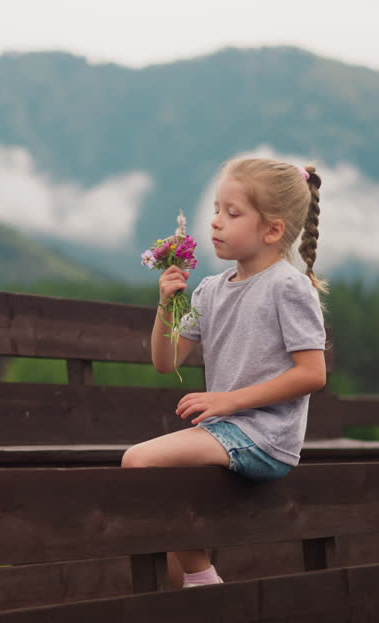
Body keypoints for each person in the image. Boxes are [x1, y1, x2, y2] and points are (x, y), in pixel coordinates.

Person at [121, 155, 329, 589]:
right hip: (229, 430)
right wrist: (165, 304)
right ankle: (193, 609)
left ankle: (203, 579)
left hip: (266, 436)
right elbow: (166, 361)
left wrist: (227, 401)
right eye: (216, 209)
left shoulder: (288, 287)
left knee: (138, 462)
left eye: (232, 213)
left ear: (272, 230)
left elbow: (313, 374)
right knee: (164, 504)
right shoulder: (212, 290)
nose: (215, 222)